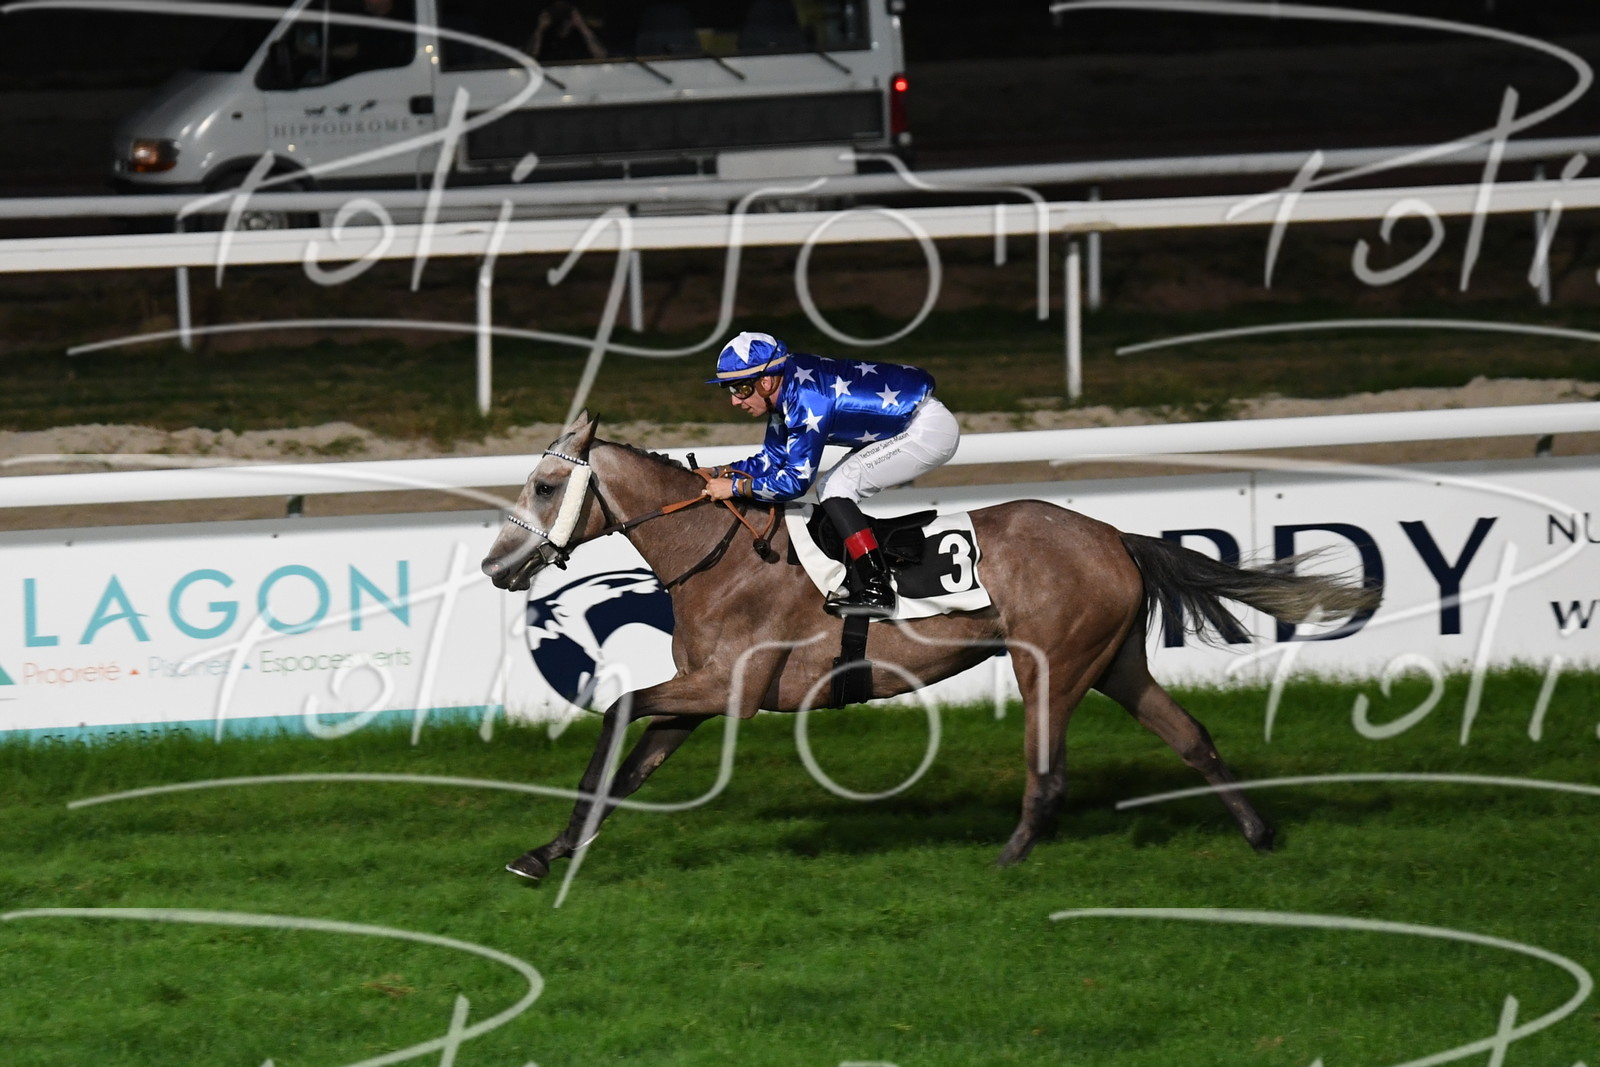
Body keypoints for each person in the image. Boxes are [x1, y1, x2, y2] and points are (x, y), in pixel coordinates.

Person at [700, 331, 960, 618]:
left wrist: (734, 488)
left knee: (836, 488)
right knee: (832, 487)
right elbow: (771, 460)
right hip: (908, 423)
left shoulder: (806, 398)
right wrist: (721, 471)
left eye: (740, 389)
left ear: (765, 382)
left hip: (926, 430)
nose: (735, 401)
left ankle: (876, 587)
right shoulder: (786, 389)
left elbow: (795, 482)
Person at [527, 0, 608, 62]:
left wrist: (582, 26)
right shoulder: (545, 35)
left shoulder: (582, 34)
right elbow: (528, 58)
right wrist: (539, 29)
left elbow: (601, 56)